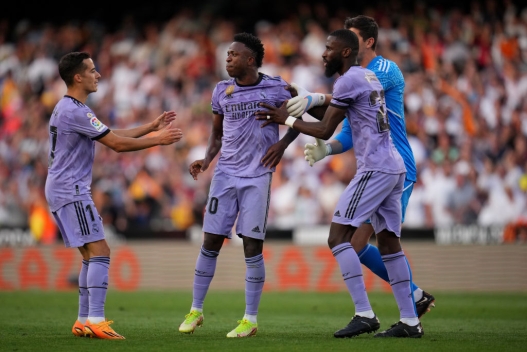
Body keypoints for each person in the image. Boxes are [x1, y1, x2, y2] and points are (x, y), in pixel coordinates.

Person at [256, 29, 424, 338]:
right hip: (394, 166)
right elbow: (336, 114)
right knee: (389, 243)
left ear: (345, 53)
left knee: (337, 237)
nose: (323, 53)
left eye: (329, 48)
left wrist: (286, 119)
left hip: (375, 168)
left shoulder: (348, 80)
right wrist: (309, 102)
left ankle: (365, 313)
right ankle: (410, 321)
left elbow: (323, 129)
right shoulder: (367, 78)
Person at [287, 15, 435, 319]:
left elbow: (354, 96)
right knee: (365, 242)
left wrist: (313, 99)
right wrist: (327, 148)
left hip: (396, 164)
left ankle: (395, 305)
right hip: (378, 164)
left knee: (357, 241)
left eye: (350, 37)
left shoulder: (383, 69)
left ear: (367, 42)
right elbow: (347, 130)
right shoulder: (354, 75)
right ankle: (411, 305)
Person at [45, 51, 183, 340]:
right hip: (71, 189)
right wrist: (158, 140)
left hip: (62, 187)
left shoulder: (67, 107)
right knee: (101, 252)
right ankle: (96, 319)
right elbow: (116, 145)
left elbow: (109, 133)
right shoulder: (76, 110)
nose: (98, 75)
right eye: (92, 71)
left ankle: (84, 320)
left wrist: (149, 127)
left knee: (89, 255)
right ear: (78, 77)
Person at [179, 32, 300, 338]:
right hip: (225, 175)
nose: (227, 58)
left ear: (250, 59)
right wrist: (206, 160)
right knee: (210, 241)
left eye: (233, 55)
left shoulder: (276, 86)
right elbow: (216, 134)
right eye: (227, 55)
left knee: (251, 245)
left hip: (257, 175)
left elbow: (302, 114)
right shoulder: (222, 91)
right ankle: (195, 311)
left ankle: (250, 318)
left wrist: (284, 143)